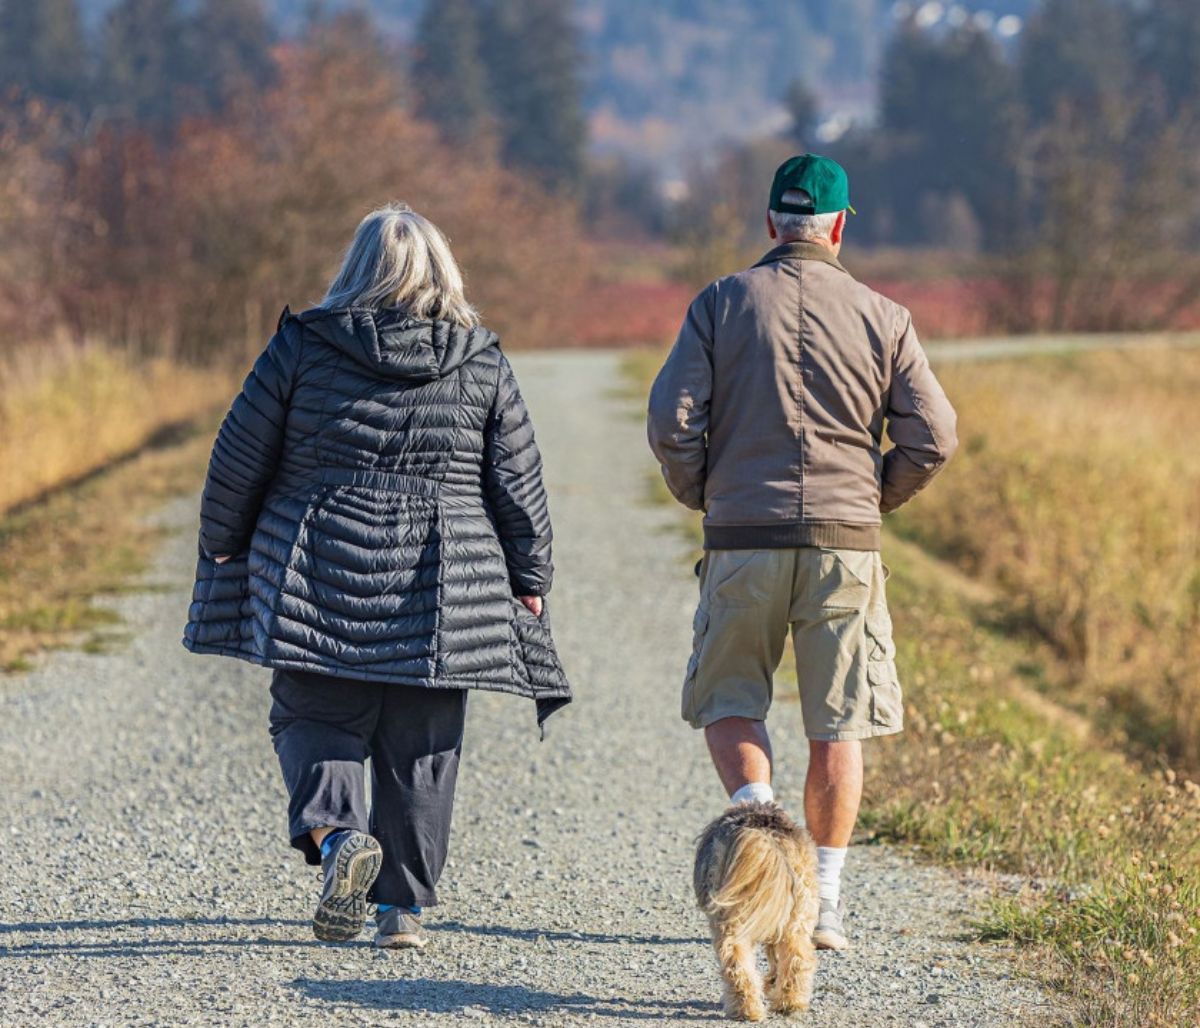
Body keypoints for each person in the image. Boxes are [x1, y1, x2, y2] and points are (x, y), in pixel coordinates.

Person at [183, 202, 570, 950]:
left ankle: (337, 841)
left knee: (313, 715)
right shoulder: (481, 359)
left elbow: (237, 457)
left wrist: (223, 542)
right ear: (444, 272)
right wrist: (531, 574)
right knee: (423, 742)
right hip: (445, 576)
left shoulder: (300, 347)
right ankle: (402, 911)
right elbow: (517, 483)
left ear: (354, 270)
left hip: (319, 566)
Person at [647, 155, 957, 951]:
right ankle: (823, 902)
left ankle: (761, 821)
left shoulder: (719, 304)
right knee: (837, 723)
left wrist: (702, 493)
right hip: (844, 548)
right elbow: (935, 436)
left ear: (769, 225)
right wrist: (875, 497)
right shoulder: (885, 316)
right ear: (843, 225)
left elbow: (671, 421)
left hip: (742, 540)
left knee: (729, 699)